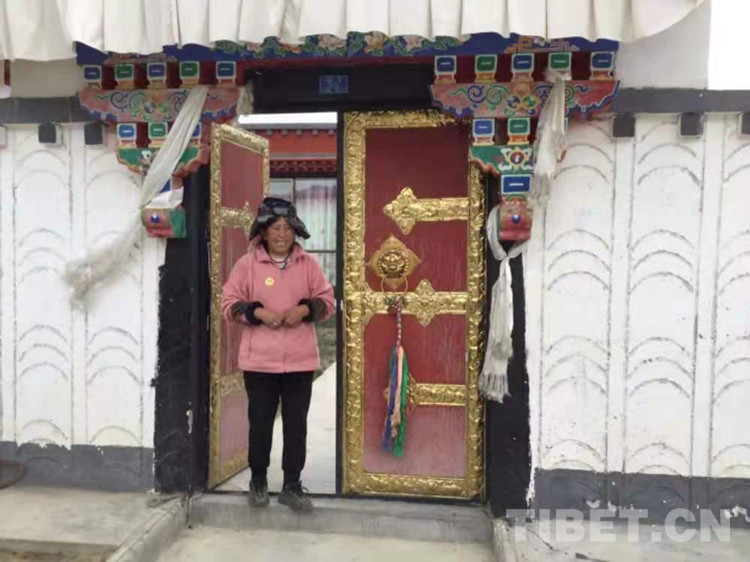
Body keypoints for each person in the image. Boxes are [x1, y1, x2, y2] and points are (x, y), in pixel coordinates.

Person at [221, 197, 334, 512]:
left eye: (287, 228)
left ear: (295, 231)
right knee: (260, 423)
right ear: (263, 232)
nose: (282, 234)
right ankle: (258, 481)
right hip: (259, 362)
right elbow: (228, 304)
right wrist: (259, 313)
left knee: (296, 425)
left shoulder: (308, 264)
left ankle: (292, 486)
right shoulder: (247, 265)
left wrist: (305, 310)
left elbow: (328, 302)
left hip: (300, 361)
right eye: (275, 228)